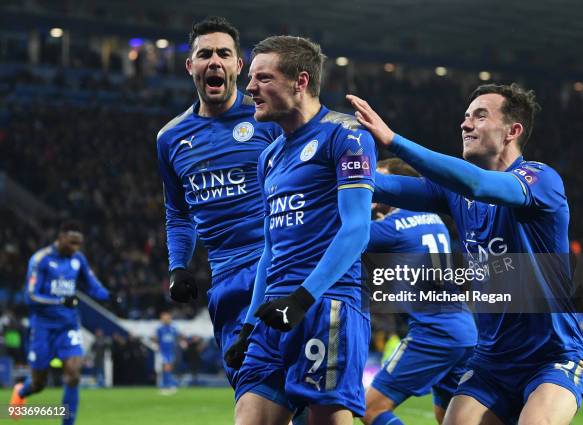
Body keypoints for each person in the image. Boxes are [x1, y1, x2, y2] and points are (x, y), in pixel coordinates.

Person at [347, 83, 583, 425]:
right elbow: (380, 185)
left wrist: (394, 141)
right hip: (490, 362)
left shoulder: (540, 180)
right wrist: (324, 159)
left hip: (552, 357)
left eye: (479, 115)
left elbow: (480, 184)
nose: (465, 124)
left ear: (512, 131)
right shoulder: (454, 195)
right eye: (465, 116)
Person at [224, 35, 376, 425]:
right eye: (251, 78)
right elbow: (270, 250)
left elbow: (357, 229)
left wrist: (303, 298)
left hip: (326, 306)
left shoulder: (346, 135)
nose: (250, 88)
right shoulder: (269, 157)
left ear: (300, 81)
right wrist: (248, 326)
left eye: (263, 78)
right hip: (273, 313)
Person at [155, 16, 281, 393]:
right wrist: (178, 267)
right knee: (254, 395)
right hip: (225, 283)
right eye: (204, 53)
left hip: (276, 268)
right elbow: (178, 213)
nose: (214, 61)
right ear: (190, 66)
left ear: (238, 66)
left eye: (224, 53)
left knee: (298, 399)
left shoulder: (269, 120)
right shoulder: (170, 138)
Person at [362, 158, 477, 425]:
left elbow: (346, 235)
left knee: (371, 409)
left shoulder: (392, 227)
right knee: (449, 418)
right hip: (464, 329)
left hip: (433, 332)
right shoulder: (434, 219)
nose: (374, 188)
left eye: (381, 182)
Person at [9, 220, 111, 424]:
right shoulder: (41, 260)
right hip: (43, 327)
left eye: (78, 244)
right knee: (39, 383)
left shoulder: (78, 259)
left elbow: (92, 285)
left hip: (69, 326)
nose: (75, 247)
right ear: (61, 237)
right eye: (72, 242)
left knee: (73, 374)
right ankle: (21, 391)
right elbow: (30, 296)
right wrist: (60, 300)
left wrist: (110, 295)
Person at [154, 311, 179, 394]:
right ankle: (167, 385)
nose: (167, 320)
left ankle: (166, 385)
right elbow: (156, 339)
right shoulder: (160, 329)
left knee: (168, 368)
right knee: (165, 368)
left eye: (168, 318)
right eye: (165, 318)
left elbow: (177, 338)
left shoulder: (173, 329)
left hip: (171, 351)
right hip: (163, 352)